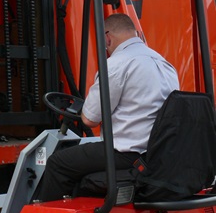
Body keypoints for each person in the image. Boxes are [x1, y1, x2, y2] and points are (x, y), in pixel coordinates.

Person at [35, 13, 179, 202]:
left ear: (108, 37)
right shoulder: (164, 63)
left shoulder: (116, 64)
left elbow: (89, 119)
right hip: (158, 152)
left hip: (126, 153)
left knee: (58, 163)